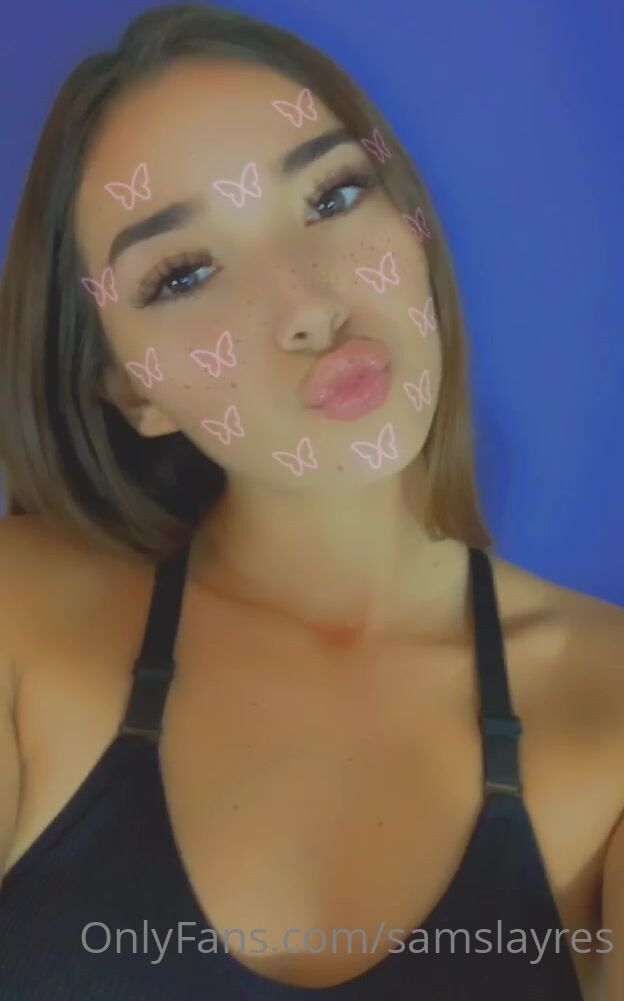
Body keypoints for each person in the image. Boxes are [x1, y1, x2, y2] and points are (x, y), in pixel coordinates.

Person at [0, 3, 622, 999]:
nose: (309, 305)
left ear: (412, 221)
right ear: (128, 389)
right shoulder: (21, 618)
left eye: (333, 195)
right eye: (183, 273)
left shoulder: (609, 699)